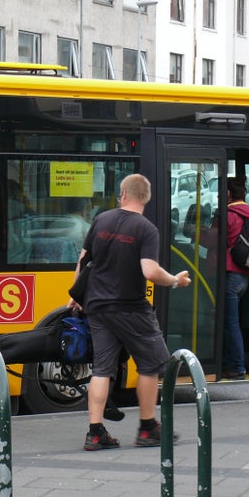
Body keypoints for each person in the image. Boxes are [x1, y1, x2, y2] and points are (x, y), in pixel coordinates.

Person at [68, 174, 191, 451]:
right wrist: (175, 280)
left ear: (123, 194)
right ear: (145, 197)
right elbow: (149, 271)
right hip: (130, 307)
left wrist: (77, 295)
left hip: (97, 305)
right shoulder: (146, 229)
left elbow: (83, 260)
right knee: (151, 364)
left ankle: (95, 432)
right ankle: (148, 428)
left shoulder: (101, 220)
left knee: (102, 368)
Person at [222, 176, 249, 380]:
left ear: (228, 193)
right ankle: (229, 363)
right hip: (244, 276)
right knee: (231, 321)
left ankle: (237, 366)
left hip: (229, 275)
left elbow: (216, 240)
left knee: (230, 323)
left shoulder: (229, 215)